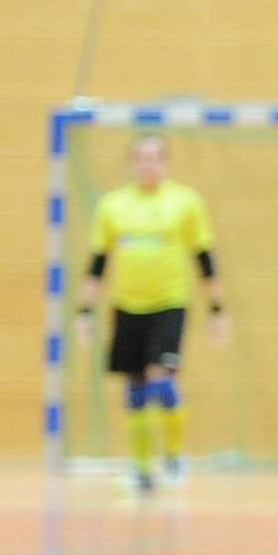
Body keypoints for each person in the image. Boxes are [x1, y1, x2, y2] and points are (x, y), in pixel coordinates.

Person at [75, 133, 229, 493]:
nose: (147, 163)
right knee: (135, 389)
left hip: (169, 303)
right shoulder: (113, 206)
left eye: (154, 157)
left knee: (161, 379)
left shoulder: (185, 203)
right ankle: (142, 468)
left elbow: (204, 257)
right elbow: (98, 262)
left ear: (165, 162)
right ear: (132, 163)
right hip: (127, 306)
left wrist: (217, 309)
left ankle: (174, 455)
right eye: (141, 157)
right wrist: (83, 310)